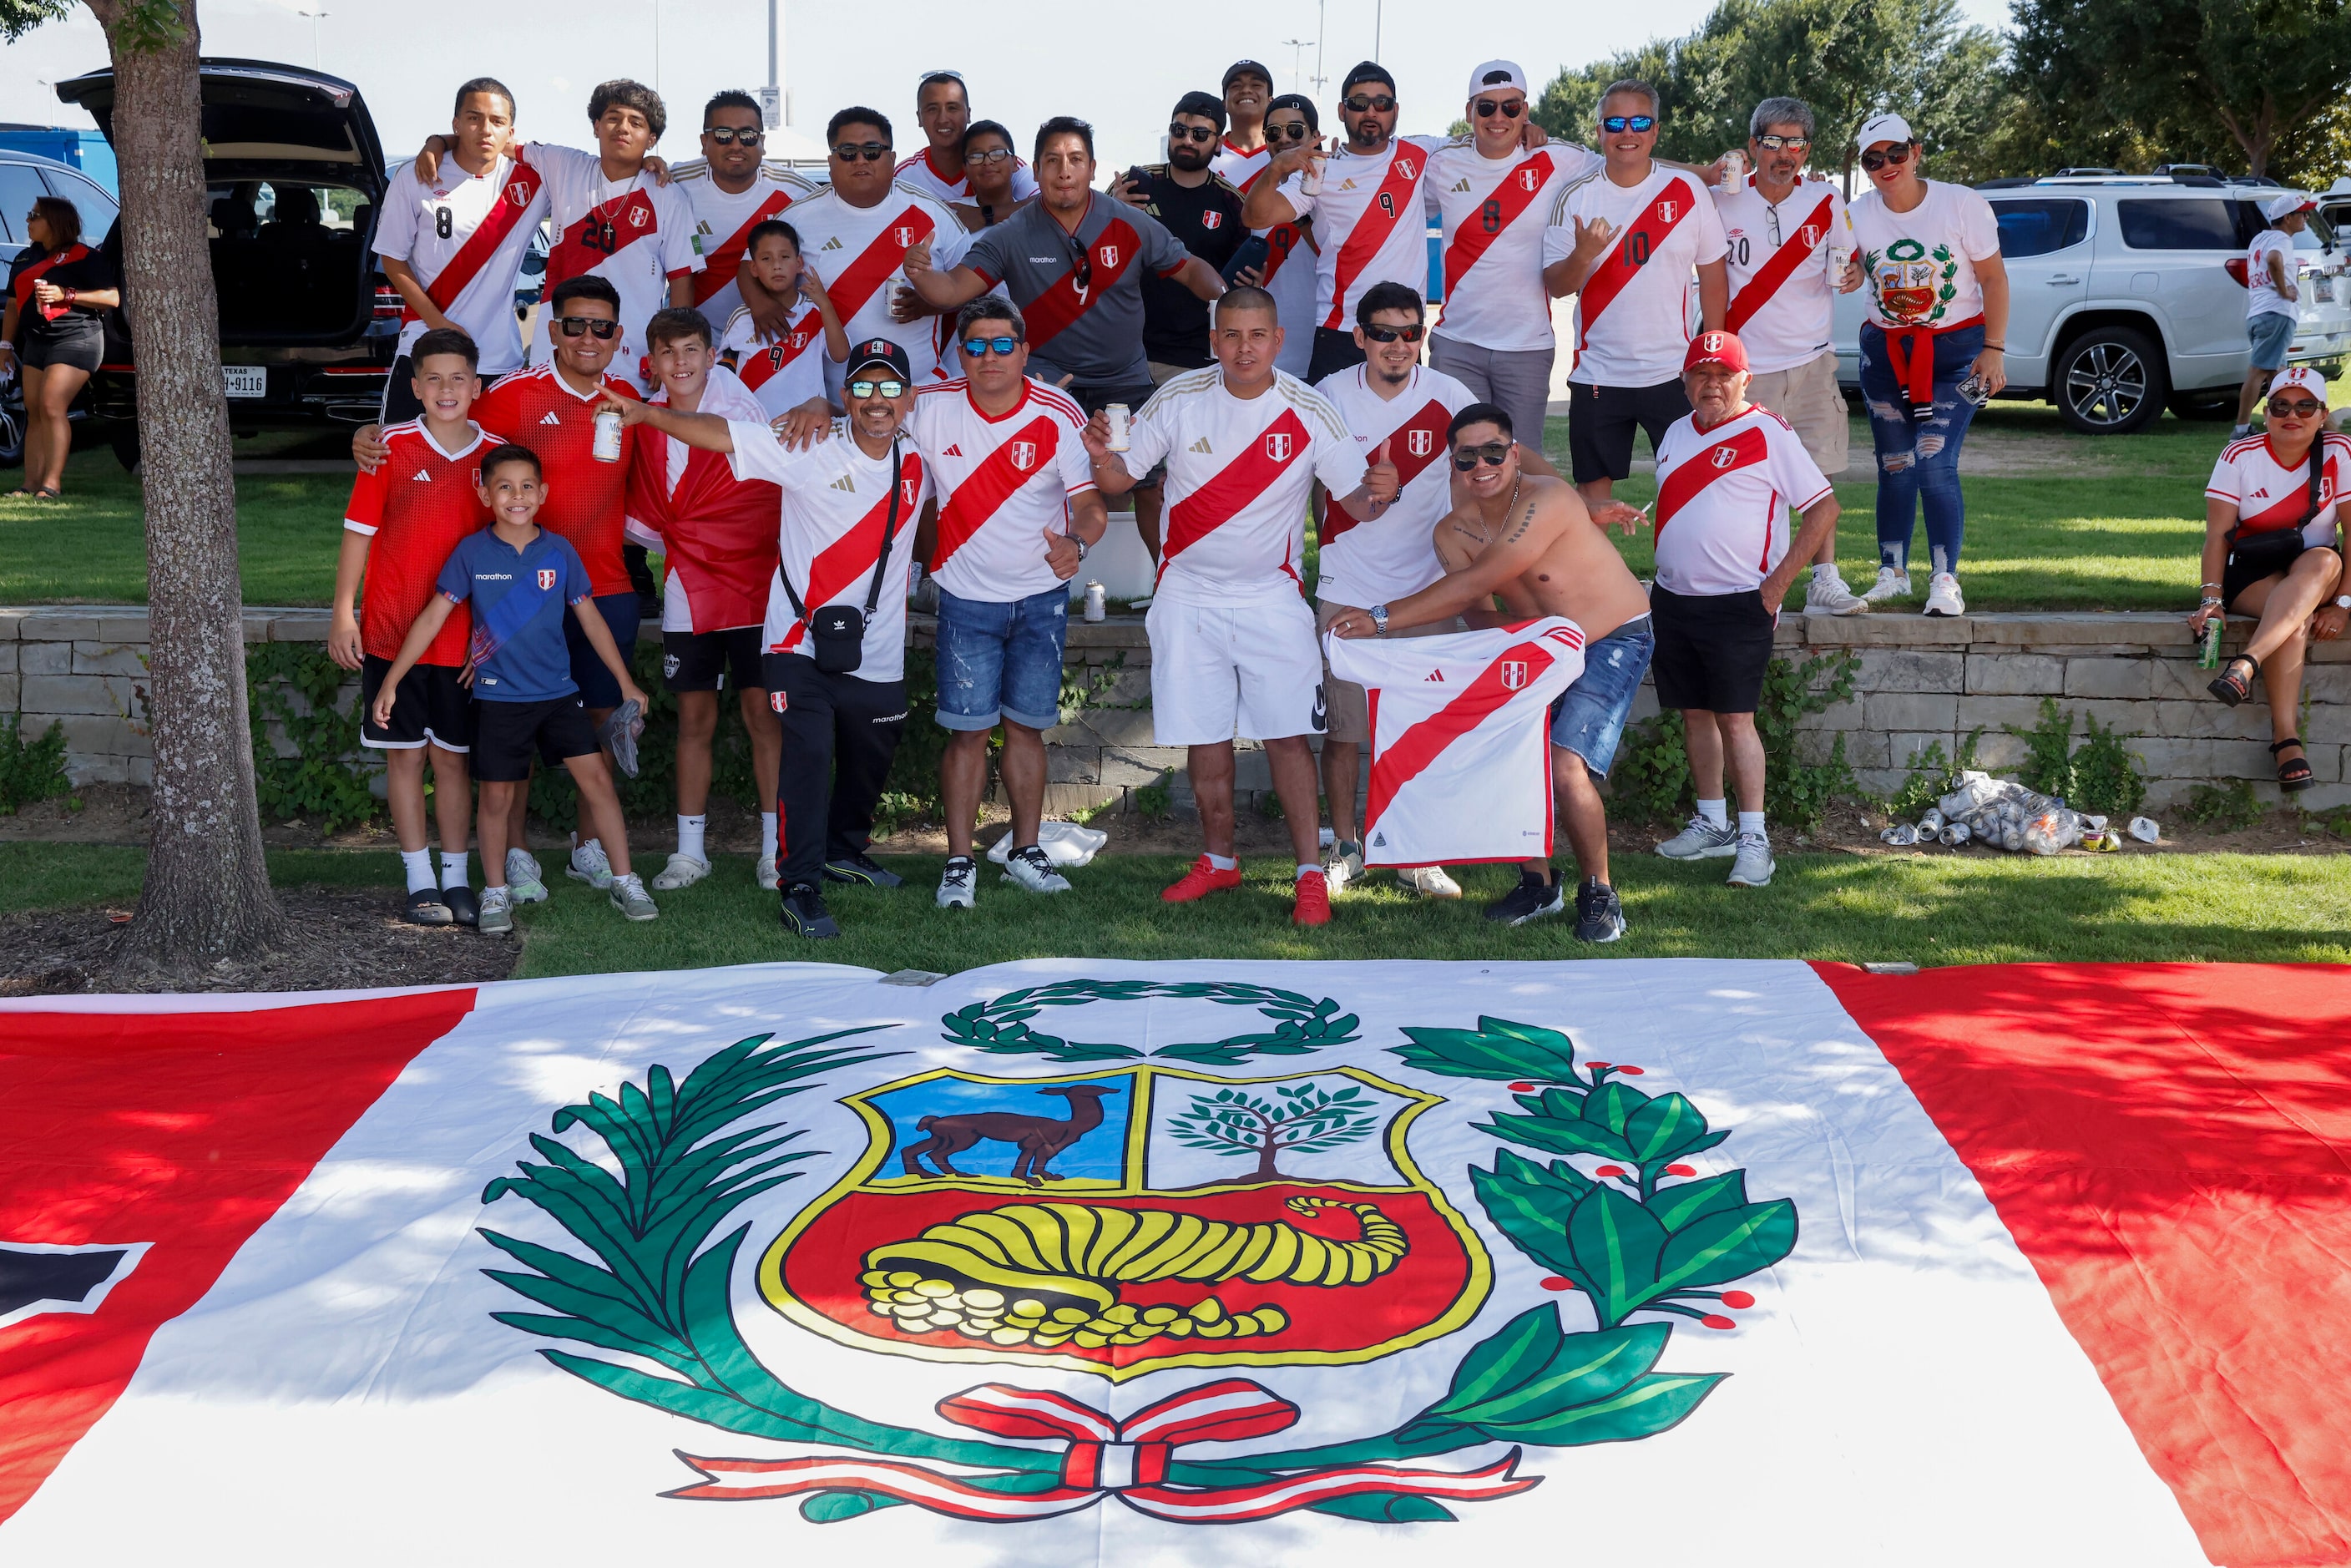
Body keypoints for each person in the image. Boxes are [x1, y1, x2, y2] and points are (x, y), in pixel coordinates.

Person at [1078, 286, 1401, 927]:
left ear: (1278, 340)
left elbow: (1358, 505)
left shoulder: (1308, 410)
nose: (1244, 348)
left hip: (1269, 597)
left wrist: (1382, 494)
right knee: (1205, 737)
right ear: (1213, 341)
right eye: (1231, 335)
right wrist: (1101, 457)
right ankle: (1219, 860)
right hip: (1186, 596)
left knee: (1286, 735)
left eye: (1257, 336)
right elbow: (1120, 478)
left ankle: (1311, 873)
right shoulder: (1178, 398)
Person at [601, 339, 930, 938]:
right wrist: (649, 415)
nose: (876, 401)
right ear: (846, 397)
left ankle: (844, 852)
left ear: (909, 400)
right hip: (795, 643)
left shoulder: (920, 454)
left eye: (889, 389)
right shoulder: (808, 446)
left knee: (870, 756)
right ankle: (799, 885)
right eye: (861, 387)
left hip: (877, 649)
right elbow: (719, 433)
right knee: (805, 760)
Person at [354, 276, 645, 903]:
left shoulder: (630, 403)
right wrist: (368, 438)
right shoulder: (511, 396)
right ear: (554, 330)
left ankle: (588, 850)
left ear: (618, 337)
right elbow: (443, 420)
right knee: (509, 729)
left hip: (600, 586)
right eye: (574, 324)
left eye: (601, 327)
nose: (587, 337)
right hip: (511, 587)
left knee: (592, 728)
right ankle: (513, 857)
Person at [1327, 402, 1656, 943]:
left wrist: (1380, 618)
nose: (1482, 465)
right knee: (1511, 754)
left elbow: (1488, 575)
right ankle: (1539, 884)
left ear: (1515, 454)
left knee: (1562, 764)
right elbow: (1478, 614)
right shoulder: (1451, 533)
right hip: (1542, 647)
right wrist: (1533, 644)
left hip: (1612, 634)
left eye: (1494, 452)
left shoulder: (1546, 500)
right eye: (1467, 457)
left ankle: (1601, 894)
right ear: (1452, 463)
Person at [374, 443, 657, 934]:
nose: (517, 496)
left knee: (598, 785)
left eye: (527, 486)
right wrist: (392, 680)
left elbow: (590, 620)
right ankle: (496, 894)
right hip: (499, 701)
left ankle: (626, 881)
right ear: (484, 494)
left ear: (543, 493)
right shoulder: (472, 552)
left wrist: (626, 682)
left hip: (559, 696)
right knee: (497, 800)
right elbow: (433, 617)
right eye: (504, 487)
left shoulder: (560, 551)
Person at [908, 297, 1107, 908]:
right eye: (975, 345)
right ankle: (960, 863)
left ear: (1024, 352)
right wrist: (817, 407)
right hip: (966, 597)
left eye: (1002, 344)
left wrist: (1076, 543)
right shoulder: (930, 405)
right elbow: (866, 409)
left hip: (1040, 598)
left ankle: (1025, 852)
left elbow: (1092, 505)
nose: (988, 356)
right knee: (967, 735)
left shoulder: (1057, 412)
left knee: (1027, 729)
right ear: (959, 352)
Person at [1312, 281, 1489, 900]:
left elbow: (1490, 478)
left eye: (1410, 333)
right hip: (1349, 585)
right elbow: (1307, 486)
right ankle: (1345, 848)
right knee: (1343, 732)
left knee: (1418, 730)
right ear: (1359, 337)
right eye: (1383, 333)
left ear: (1424, 336)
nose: (1397, 345)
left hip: (1428, 590)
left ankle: (1416, 851)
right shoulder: (1328, 396)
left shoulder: (1452, 397)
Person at [1643, 331, 1839, 888]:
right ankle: (1711, 823)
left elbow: (1824, 509)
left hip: (1740, 603)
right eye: (1701, 375)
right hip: (1675, 599)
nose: (1712, 385)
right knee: (1695, 714)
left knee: (1735, 719)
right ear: (1685, 382)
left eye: (1723, 375)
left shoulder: (1768, 432)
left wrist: (1775, 589)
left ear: (1744, 379)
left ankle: (1755, 838)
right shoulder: (1676, 432)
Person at [328, 327, 497, 926]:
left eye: (459, 379)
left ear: (477, 387)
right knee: (406, 759)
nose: (447, 389)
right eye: (434, 378)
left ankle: (456, 879)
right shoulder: (389, 449)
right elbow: (359, 532)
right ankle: (419, 880)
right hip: (392, 631)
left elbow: (510, 555)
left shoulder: (496, 458)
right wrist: (343, 609)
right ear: (415, 386)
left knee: (453, 761)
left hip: (466, 643)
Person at [903, 116, 1224, 422]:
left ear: (1092, 169)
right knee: (1044, 479)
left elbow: (1192, 270)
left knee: (1136, 479)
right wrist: (921, 273)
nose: (1064, 172)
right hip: (1045, 382)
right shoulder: (1010, 235)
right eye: (1053, 161)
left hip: (1123, 384)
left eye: (1075, 159)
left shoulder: (1130, 224)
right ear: (1036, 169)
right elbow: (951, 291)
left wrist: (1228, 308)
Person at [624, 306, 789, 890]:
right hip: (687, 583)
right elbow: (647, 510)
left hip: (754, 583)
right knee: (694, 716)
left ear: (711, 354)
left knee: (763, 715)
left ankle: (777, 851)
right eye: (668, 353)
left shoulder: (740, 408)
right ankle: (689, 852)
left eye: (691, 350)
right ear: (654, 361)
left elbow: (765, 495)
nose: (681, 363)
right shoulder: (643, 417)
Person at [1246, 63, 1543, 383]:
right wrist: (1277, 168)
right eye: (1360, 103)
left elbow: (1486, 137)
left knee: (1403, 431)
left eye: (1382, 103)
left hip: (1404, 334)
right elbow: (1256, 216)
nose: (1371, 111)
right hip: (1342, 330)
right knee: (1332, 434)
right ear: (1343, 110)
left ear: (1396, 111)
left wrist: (1524, 127)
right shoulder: (1321, 171)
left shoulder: (1422, 152)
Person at [418, 79, 702, 392]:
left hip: (633, 365)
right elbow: (492, 140)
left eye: (636, 123)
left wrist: (666, 354)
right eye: (612, 118)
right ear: (596, 126)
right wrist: (437, 141)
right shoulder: (564, 164)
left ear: (651, 139)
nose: (622, 128)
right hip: (554, 359)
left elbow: (681, 283)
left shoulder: (669, 196)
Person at [1542, 78, 1728, 522]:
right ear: (1600, 131)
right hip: (1599, 373)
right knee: (1592, 502)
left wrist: (1715, 353)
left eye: (1640, 121)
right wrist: (1583, 254)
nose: (1628, 132)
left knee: (1693, 488)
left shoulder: (1687, 191)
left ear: (1656, 131)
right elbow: (1555, 285)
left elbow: (1714, 273)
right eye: (1616, 122)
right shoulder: (1574, 195)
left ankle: (1685, 588)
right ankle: (1596, 591)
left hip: (1675, 372)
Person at [1847, 112, 2007, 618]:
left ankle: (1945, 577)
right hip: (1886, 351)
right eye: (1874, 160)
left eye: (1896, 153)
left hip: (1958, 351)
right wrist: (1850, 271)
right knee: (1894, 465)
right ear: (1864, 166)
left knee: (1934, 460)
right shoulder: (1855, 213)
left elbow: (1994, 280)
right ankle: (1891, 571)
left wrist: (1995, 348)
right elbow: (1846, 263)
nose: (1887, 166)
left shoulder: (1961, 203)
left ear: (1916, 152)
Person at [1714, 96, 1868, 615]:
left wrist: (1856, 274)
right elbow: (1646, 169)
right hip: (1746, 369)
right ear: (1753, 144)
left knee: (1817, 477)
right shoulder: (1719, 199)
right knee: (1746, 482)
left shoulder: (1826, 200)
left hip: (1813, 362)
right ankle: (1744, 580)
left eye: (1796, 143)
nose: (1785, 154)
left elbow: (1852, 259)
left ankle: (1825, 580)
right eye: (1774, 142)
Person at [1425, 62, 1601, 453]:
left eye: (1511, 107)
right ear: (1469, 111)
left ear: (1525, 110)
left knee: (1522, 467)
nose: (1498, 117)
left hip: (1526, 346)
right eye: (1486, 107)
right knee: (1458, 467)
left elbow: (1631, 170)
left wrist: (1704, 175)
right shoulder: (1441, 162)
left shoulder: (1557, 157)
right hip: (1457, 344)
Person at [2194, 367, 2348, 792]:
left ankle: (2246, 665)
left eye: (2305, 406)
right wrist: (2211, 600)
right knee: (2293, 619)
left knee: (2321, 562)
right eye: (2281, 405)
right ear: (2266, 412)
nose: (2292, 415)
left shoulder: (2340, 450)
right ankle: (2286, 741)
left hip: (2315, 568)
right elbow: (2216, 537)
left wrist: (2344, 603)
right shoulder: (2238, 455)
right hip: (2253, 568)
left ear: (2322, 414)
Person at [1111, 91, 1248, 562]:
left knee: (1192, 474)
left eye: (1199, 134)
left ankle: (1196, 569)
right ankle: (1151, 573)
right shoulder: (1135, 183)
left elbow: (1242, 280)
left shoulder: (1231, 203)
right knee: (1126, 474)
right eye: (1178, 130)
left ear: (1220, 140)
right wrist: (1107, 207)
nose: (1186, 140)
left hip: (1193, 359)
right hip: (1126, 355)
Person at [756, 107, 968, 397]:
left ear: (892, 158)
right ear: (831, 160)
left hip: (922, 394)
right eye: (847, 152)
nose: (860, 161)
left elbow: (979, 290)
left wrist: (934, 303)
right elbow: (750, 268)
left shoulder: (933, 213)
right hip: (826, 401)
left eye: (871, 151)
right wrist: (759, 304)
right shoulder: (797, 217)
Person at [373, 78, 545, 426]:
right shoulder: (416, 175)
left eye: (497, 122)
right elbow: (392, 259)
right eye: (473, 118)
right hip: (425, 351)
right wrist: (440, 326)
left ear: (511, 132)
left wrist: (651, 164)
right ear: (455, 124)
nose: (484, 129)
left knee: (499, 476)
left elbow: (596, 175)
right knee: (405, 468)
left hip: (499, 360)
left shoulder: (535, 179)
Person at [670, 89, 820, 334]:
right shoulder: (675, 183)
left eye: (748, 136)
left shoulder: (797, 190)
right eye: (723, 135)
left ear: (762, 142)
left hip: (772, 336)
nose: (736, 145)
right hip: (698, 339)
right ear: (704, 143)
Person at [2, 196, 118, 499]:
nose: (27, 221)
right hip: (37, 342)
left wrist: (67, 294)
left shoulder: (85, 257)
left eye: (33, 215)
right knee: (35, 410)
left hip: (78, 339)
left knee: (53, 406)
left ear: (54, 221)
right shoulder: (25, 259)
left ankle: (50, 485)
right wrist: (4, 346)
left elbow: (111, 299)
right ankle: (29, 484)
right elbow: (13, 306)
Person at [1216, 92, 1321, 380]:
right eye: (1274, 132)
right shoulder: (1255, 189)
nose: (1284, 139)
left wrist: (1302, 219)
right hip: (1264, 347)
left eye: (1296, 130)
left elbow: (1344, 257)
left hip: (1322, 336)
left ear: (1316, 135)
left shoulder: (1337, 182)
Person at [717, 220, 849, 419]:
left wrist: (825, 305)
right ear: (753, 268)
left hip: (807, 428)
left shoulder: (814, 312)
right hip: (754, 429)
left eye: (785, 257)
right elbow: (723, 374)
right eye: (766, 259)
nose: (777, 266)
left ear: (799, 264)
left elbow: (841, 355)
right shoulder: (741, 318)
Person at [894, 71, 1040, 207]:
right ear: (919, 117)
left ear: (968, 114)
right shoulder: (903, 177)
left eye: (952, 108)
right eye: (932, 109)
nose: (943, 119)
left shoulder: (1002, 161)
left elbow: (1046, 205)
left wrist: (985, 215)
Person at [2235, 195, 2315, 440]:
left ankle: (2287, 421)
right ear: (2288, 218)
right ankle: (2241, 429)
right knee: (2258, 372)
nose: (2306, 218)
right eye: (2302, 213)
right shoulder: (2282, 239)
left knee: (2279, 374)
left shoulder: (2259, 239)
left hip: (2258, 312)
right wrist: (2283, 290)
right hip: (2277, 313)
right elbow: (2273, 259)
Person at [948, 121, 1029, 233]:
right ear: (965, 170)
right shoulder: (951, 213)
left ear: (1015, 163)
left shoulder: (1035, 215)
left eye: (997, 153)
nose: (987, 162)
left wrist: (985, 215)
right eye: (976, 156)